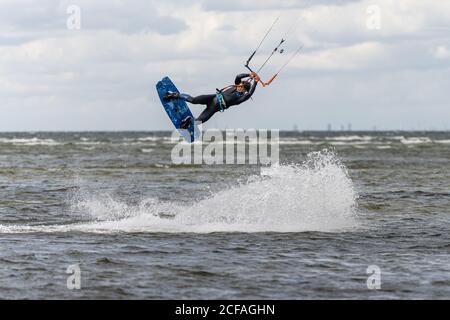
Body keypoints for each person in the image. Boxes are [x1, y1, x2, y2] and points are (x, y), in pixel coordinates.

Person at [164, 72, 259, 128]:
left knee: (198, 122)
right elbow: (238, 77)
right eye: (240, 85)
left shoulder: (240, 98)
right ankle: (174, 95)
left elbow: (249, 93)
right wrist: (249, 75)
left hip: (213, 108)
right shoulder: (236, 85)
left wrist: (255, 81)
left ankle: (189, 120)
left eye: (241, 87)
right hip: (211, 98)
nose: (239, 87)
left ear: (244, 90)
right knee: (193, 100)